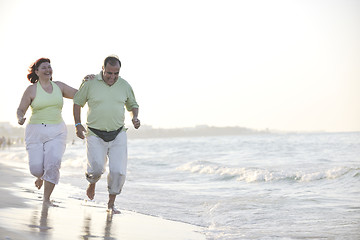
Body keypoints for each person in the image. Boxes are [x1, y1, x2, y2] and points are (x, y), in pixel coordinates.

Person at [73, 55, 140, 214]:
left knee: (118, 171)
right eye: (109, 73)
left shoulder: (124, 85)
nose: (112, 77)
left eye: (116, 73)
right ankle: (92, 181)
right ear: (102, 69)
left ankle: (110, 204)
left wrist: (135, 117)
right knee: (96, 169)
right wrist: (77, 124)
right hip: (95, 133)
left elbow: (133, 105)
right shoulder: (90, 83)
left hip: (118, 133)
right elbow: (77, 102)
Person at [17, 58, 78, 206]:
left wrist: (87, 81)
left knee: (53, 163)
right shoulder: (31, 90)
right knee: (36, 169)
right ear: (36, 72)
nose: (48, 70)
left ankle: (46, 199)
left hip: (57, 130)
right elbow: (21, 108)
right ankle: (40, 176)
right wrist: (20, 117)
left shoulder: (59, 86)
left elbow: (79, 94)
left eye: (49, 67)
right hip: (35, 131)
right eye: (44, 68)